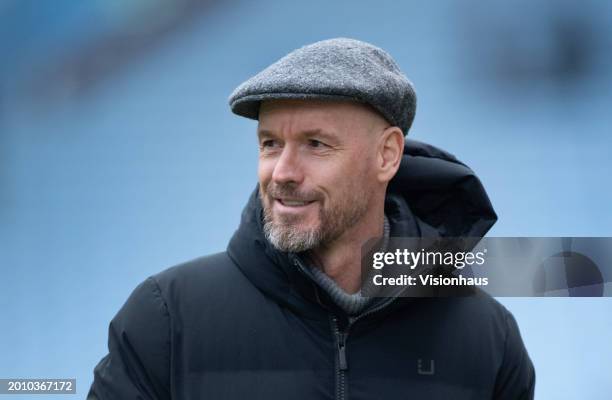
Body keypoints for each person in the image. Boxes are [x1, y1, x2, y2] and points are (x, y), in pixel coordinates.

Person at [88, 38, 535, 399]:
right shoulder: (165, 319)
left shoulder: (485, 337)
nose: (282, 172)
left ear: (387, 155)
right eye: (269, 144)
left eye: (316, 144)